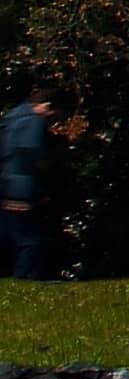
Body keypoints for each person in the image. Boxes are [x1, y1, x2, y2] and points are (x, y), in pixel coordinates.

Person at [0, 77, 51, 279]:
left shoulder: (10, 118)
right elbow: (29, 152)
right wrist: (39, 189)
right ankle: (24, 278)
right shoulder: (33, 121)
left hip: (5, 183)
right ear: (45, 105)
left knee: (7, 235)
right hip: (21, 186)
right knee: (29, 240)